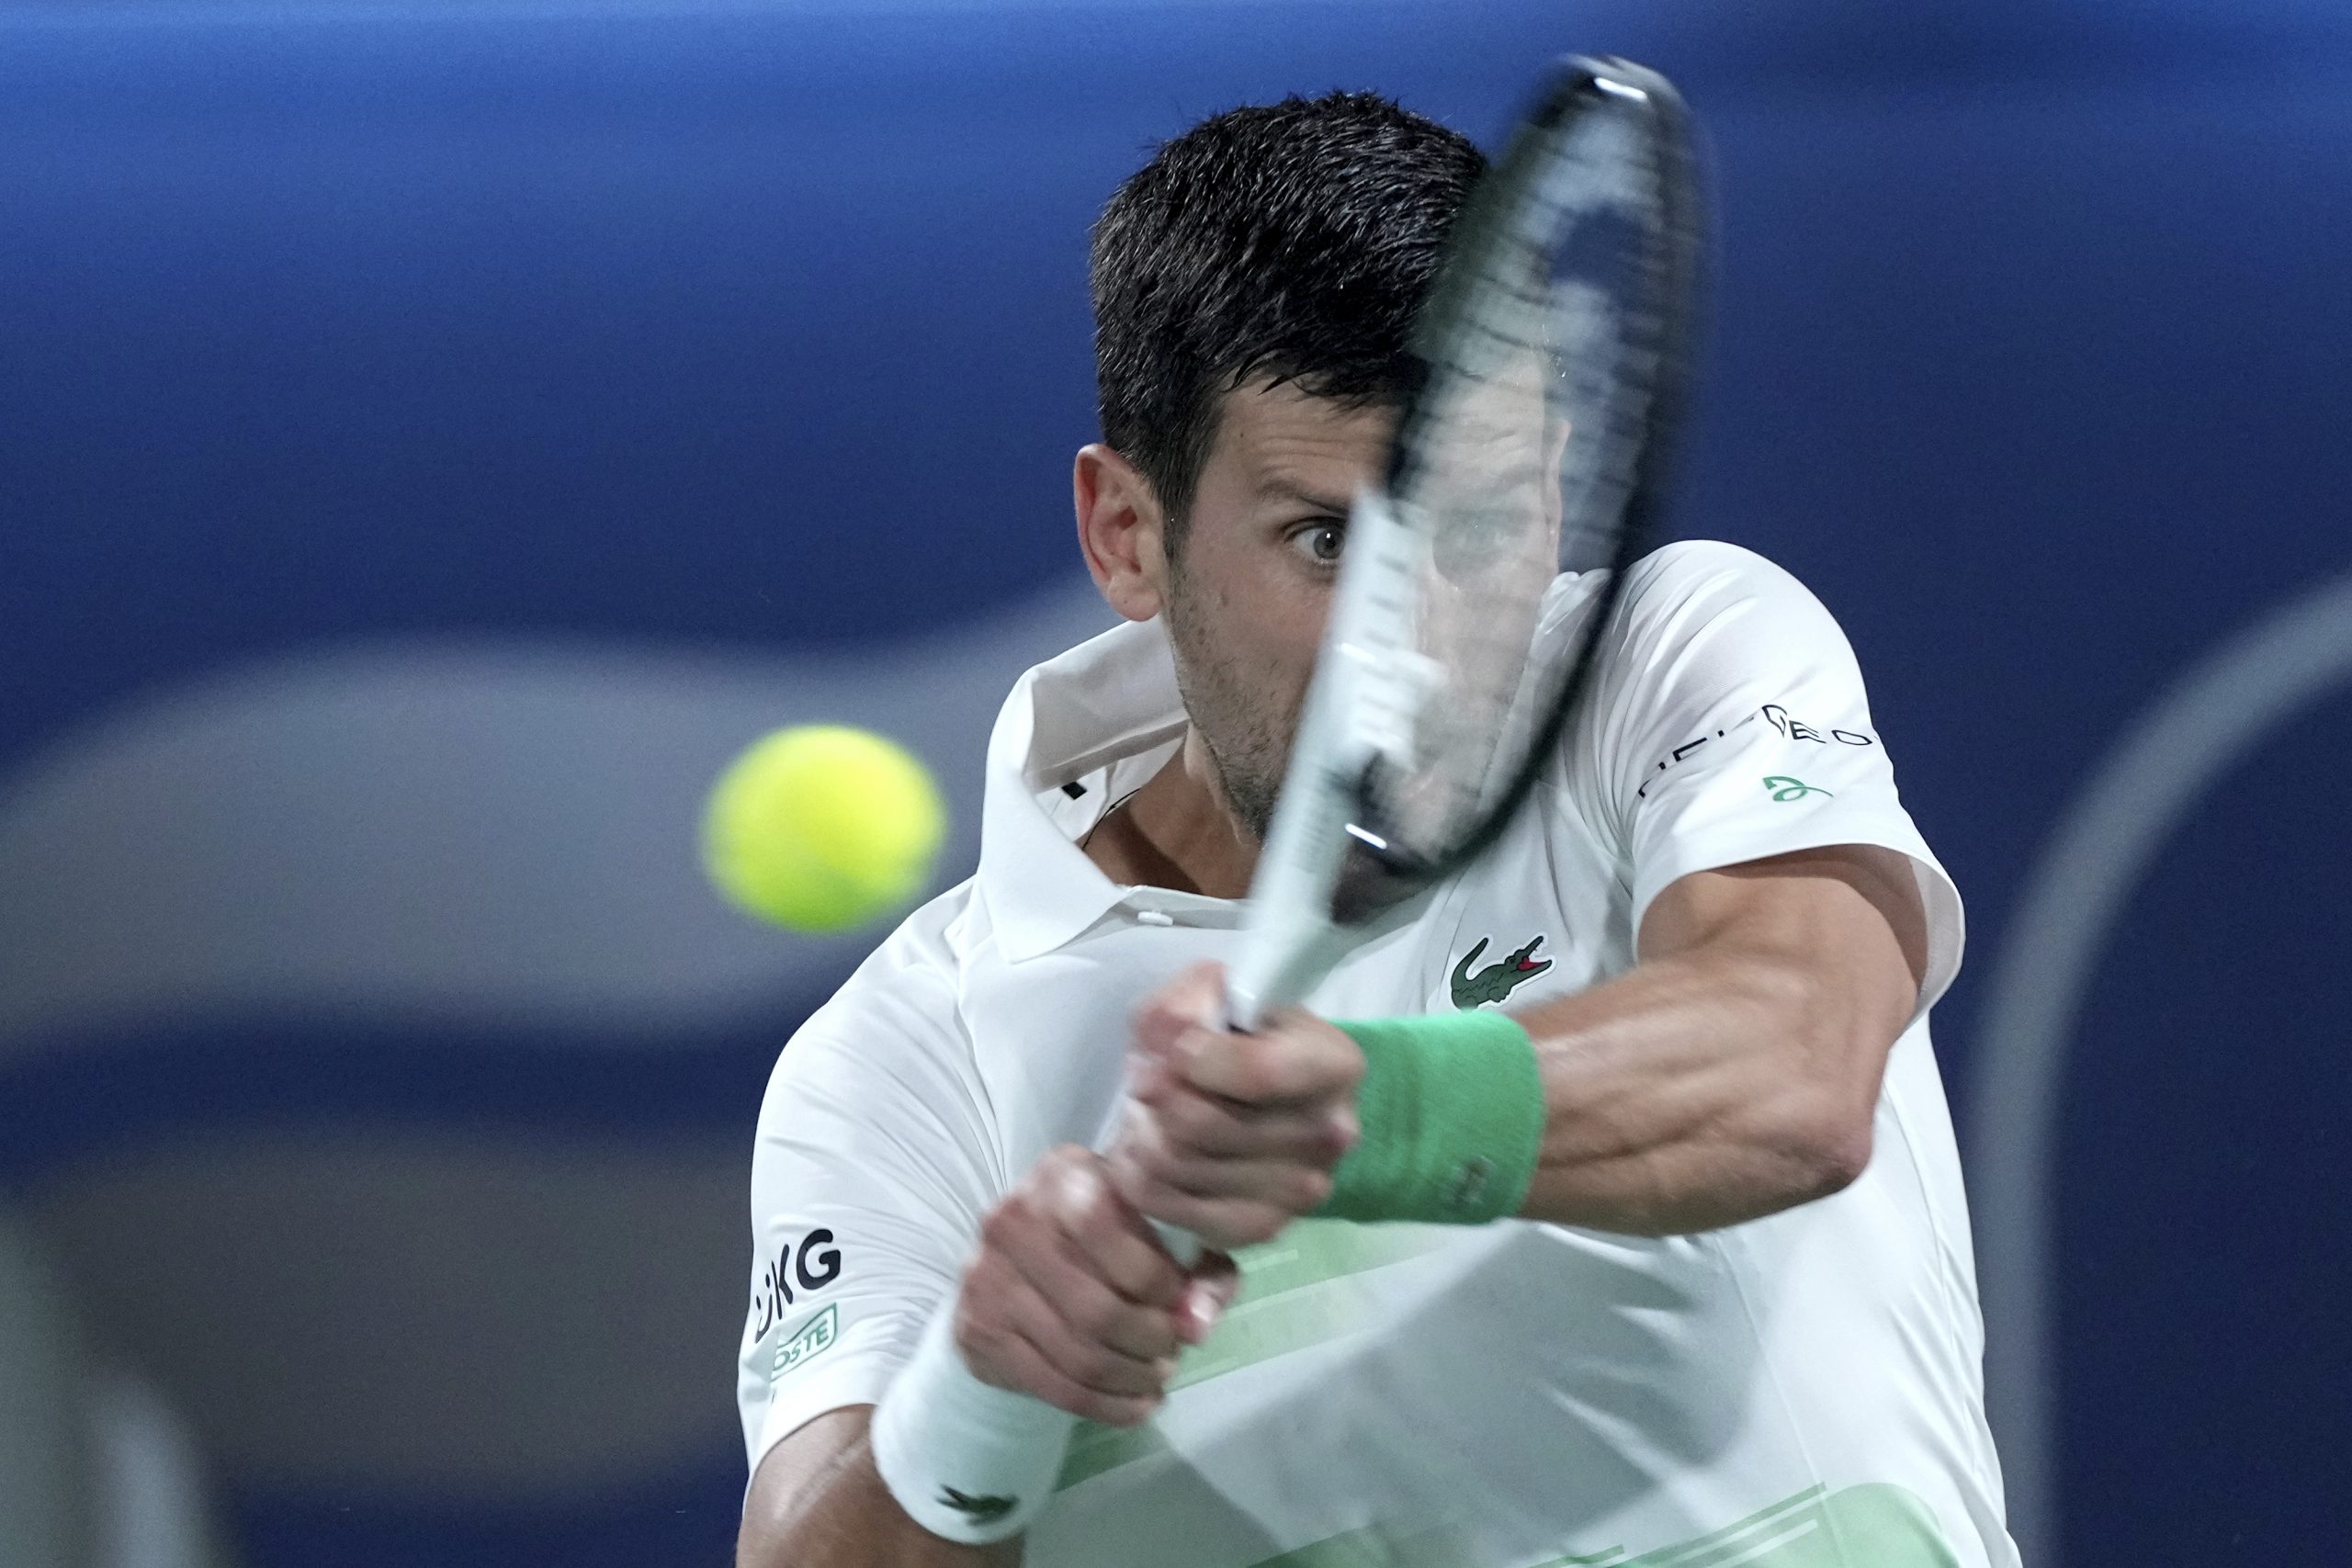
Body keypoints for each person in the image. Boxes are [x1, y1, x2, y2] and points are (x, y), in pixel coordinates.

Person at [735, 91, 2015, 1568]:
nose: (1406, 646)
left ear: (1549, 488)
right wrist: (981, 1392)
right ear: (1127, 536)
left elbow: (1798, 1066)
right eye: (1328, 539)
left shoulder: (1671, 660)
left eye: (1476, 525)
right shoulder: (905, 1059)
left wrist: (1361, 1112)